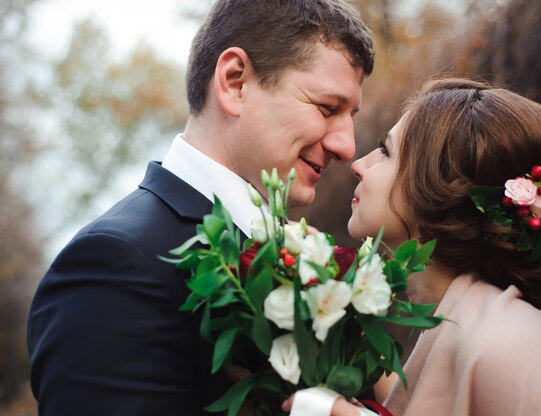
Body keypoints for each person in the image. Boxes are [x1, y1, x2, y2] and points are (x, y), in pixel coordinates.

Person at [27, 1, 374, 415]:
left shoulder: (308, 258)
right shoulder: (114, 266)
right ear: (234, 82)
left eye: (350, 116)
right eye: (327, 108)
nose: (347, 146)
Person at [319, 77, 541, 415]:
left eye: (386, 151)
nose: (358, 164)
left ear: (439, 184)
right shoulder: (466, 323)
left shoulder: (507, 343)